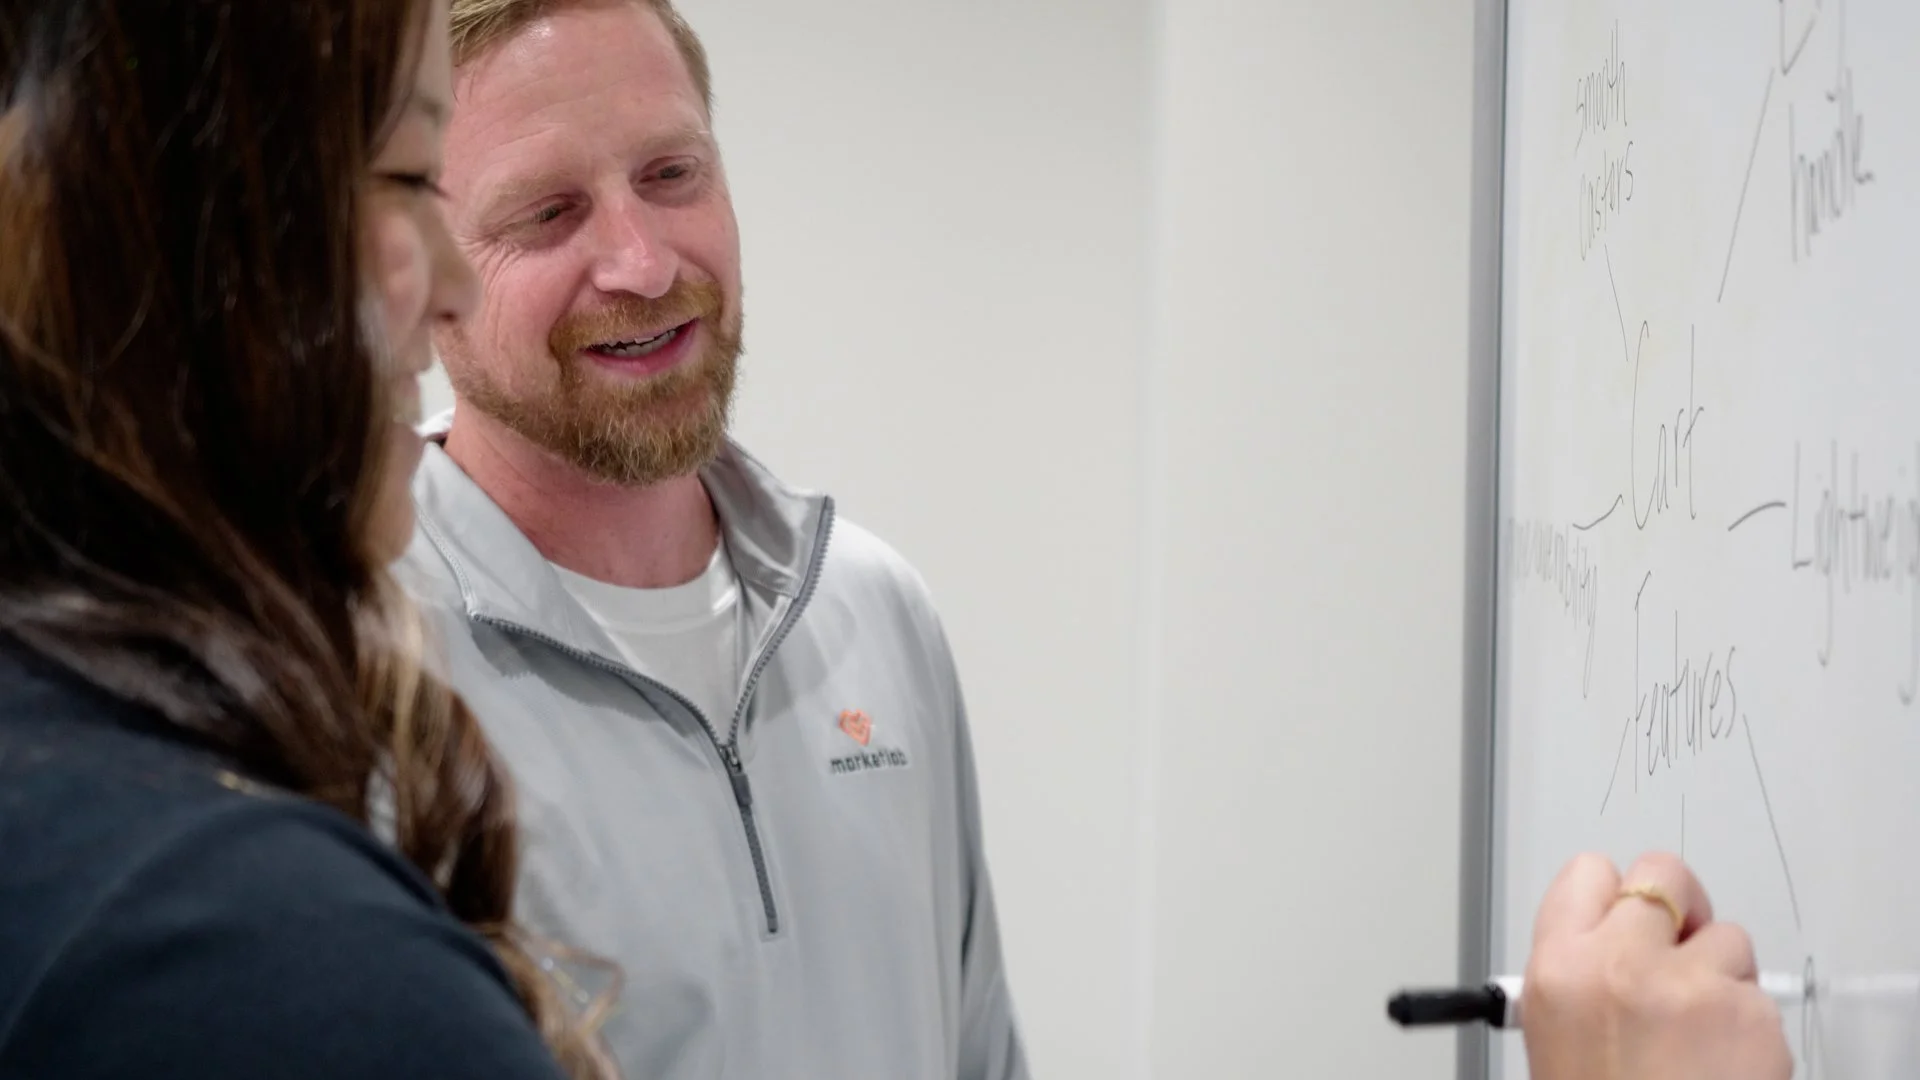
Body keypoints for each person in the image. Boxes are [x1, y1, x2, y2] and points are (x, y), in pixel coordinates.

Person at [396, 3, 1798, 1080]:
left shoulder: (870, 617)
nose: (641, 260)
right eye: (548, 214)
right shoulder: (355, 668)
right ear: (422, 270)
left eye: (671, 172)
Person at [0, 1, 616, 1076]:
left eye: (674, 176)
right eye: (414, 176)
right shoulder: (271, 969)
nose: (454, 284)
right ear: (175, 219)